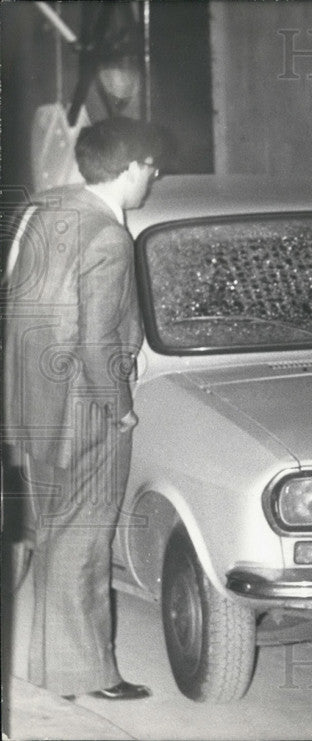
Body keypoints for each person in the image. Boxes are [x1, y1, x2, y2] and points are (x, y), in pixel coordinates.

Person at [3, 116, 164, 701]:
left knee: (53, 536)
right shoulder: (108, 237)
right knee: (84, 546)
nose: (155, 175)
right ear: (128, 169)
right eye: (150, 165)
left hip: (33, 408)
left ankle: (47, 665)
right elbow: (97, 340)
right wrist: (119, 408)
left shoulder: (44, 211)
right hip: (84, 417)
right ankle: (91, 675)